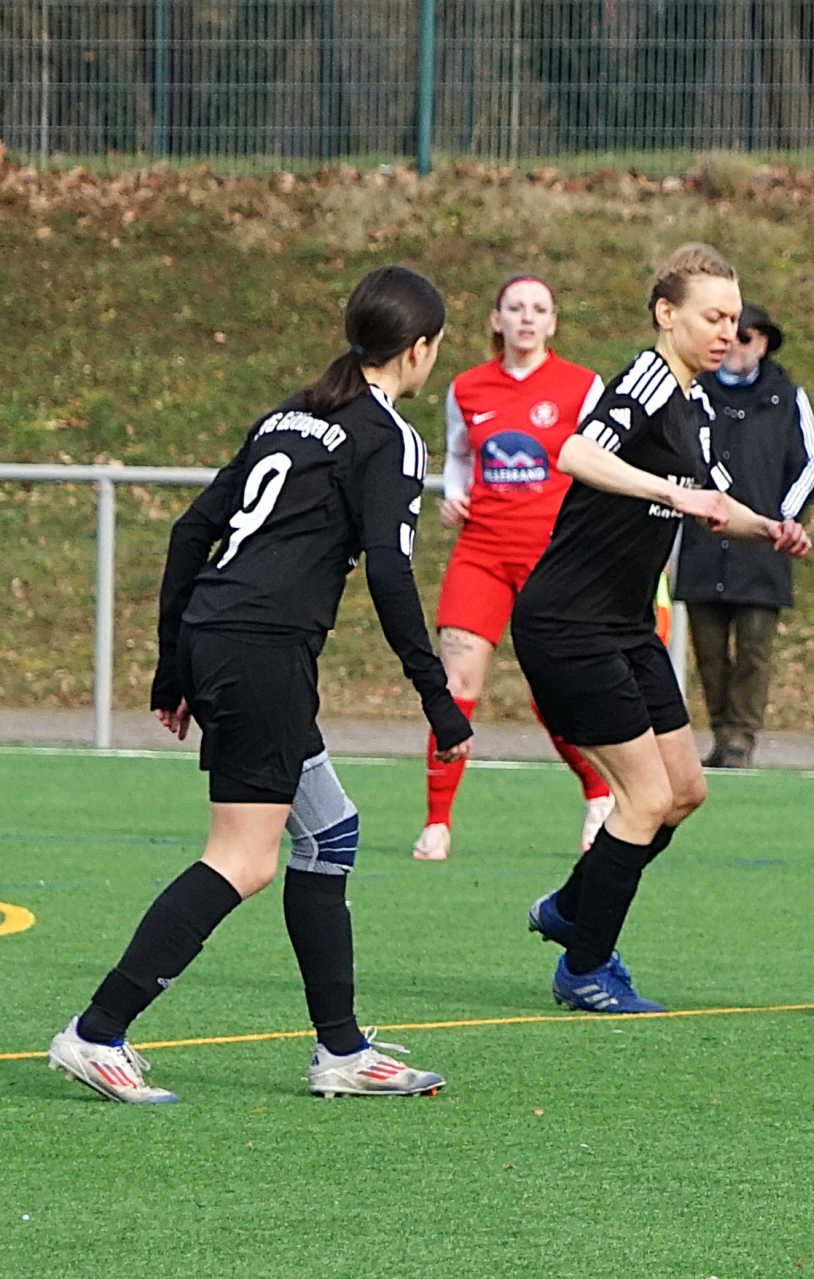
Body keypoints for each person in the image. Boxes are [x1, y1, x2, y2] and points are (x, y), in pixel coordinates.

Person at [48, 265, 470, 1103]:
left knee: (331, 832)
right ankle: (97, 1031)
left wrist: (174, 663)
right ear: (420, 349)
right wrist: (437, 696)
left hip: (222, 635)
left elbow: (190, 531)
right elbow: (390, 573)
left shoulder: (291, 414)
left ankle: (342, 1050)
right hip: (262, 650)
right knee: (242, 858)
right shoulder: (388, 436)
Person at [514, 244, 811, 1014]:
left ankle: (572, 907)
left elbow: (713, 500)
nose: (727, 332)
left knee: (683, 791)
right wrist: (673, 495)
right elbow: (575, 451)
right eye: (712, 317)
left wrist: (769, 527)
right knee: (642, 797)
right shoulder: (646, 379)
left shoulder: (697, 403)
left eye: (734, 318)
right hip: (569, 622)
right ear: (666, 313)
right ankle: (584, 967)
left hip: (624, 623)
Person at [412, 275, 615, 862]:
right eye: (515, 307)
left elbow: (603, 463)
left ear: (553, 322)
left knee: (551, 692)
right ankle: (437, 822)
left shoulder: (582, 386)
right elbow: (458, 455)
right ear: (496, 319)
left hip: (551, 557)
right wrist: (454, 495)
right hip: (481, 551)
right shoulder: (468, 387)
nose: (527, 317)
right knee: (456, 686)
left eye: (538, 309)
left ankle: (598, 792)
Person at [676, 302, 814, 769]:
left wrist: (783, 518)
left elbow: (810, 462)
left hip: (763, 546)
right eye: (727, 336)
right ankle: (722, 733)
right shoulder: (694, 392)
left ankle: (741, 737)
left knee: (754, 649)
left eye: (745, 338)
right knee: (709, 651)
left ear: (762, 345)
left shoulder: (786, 396)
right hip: (704, 542)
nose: (735, 346)